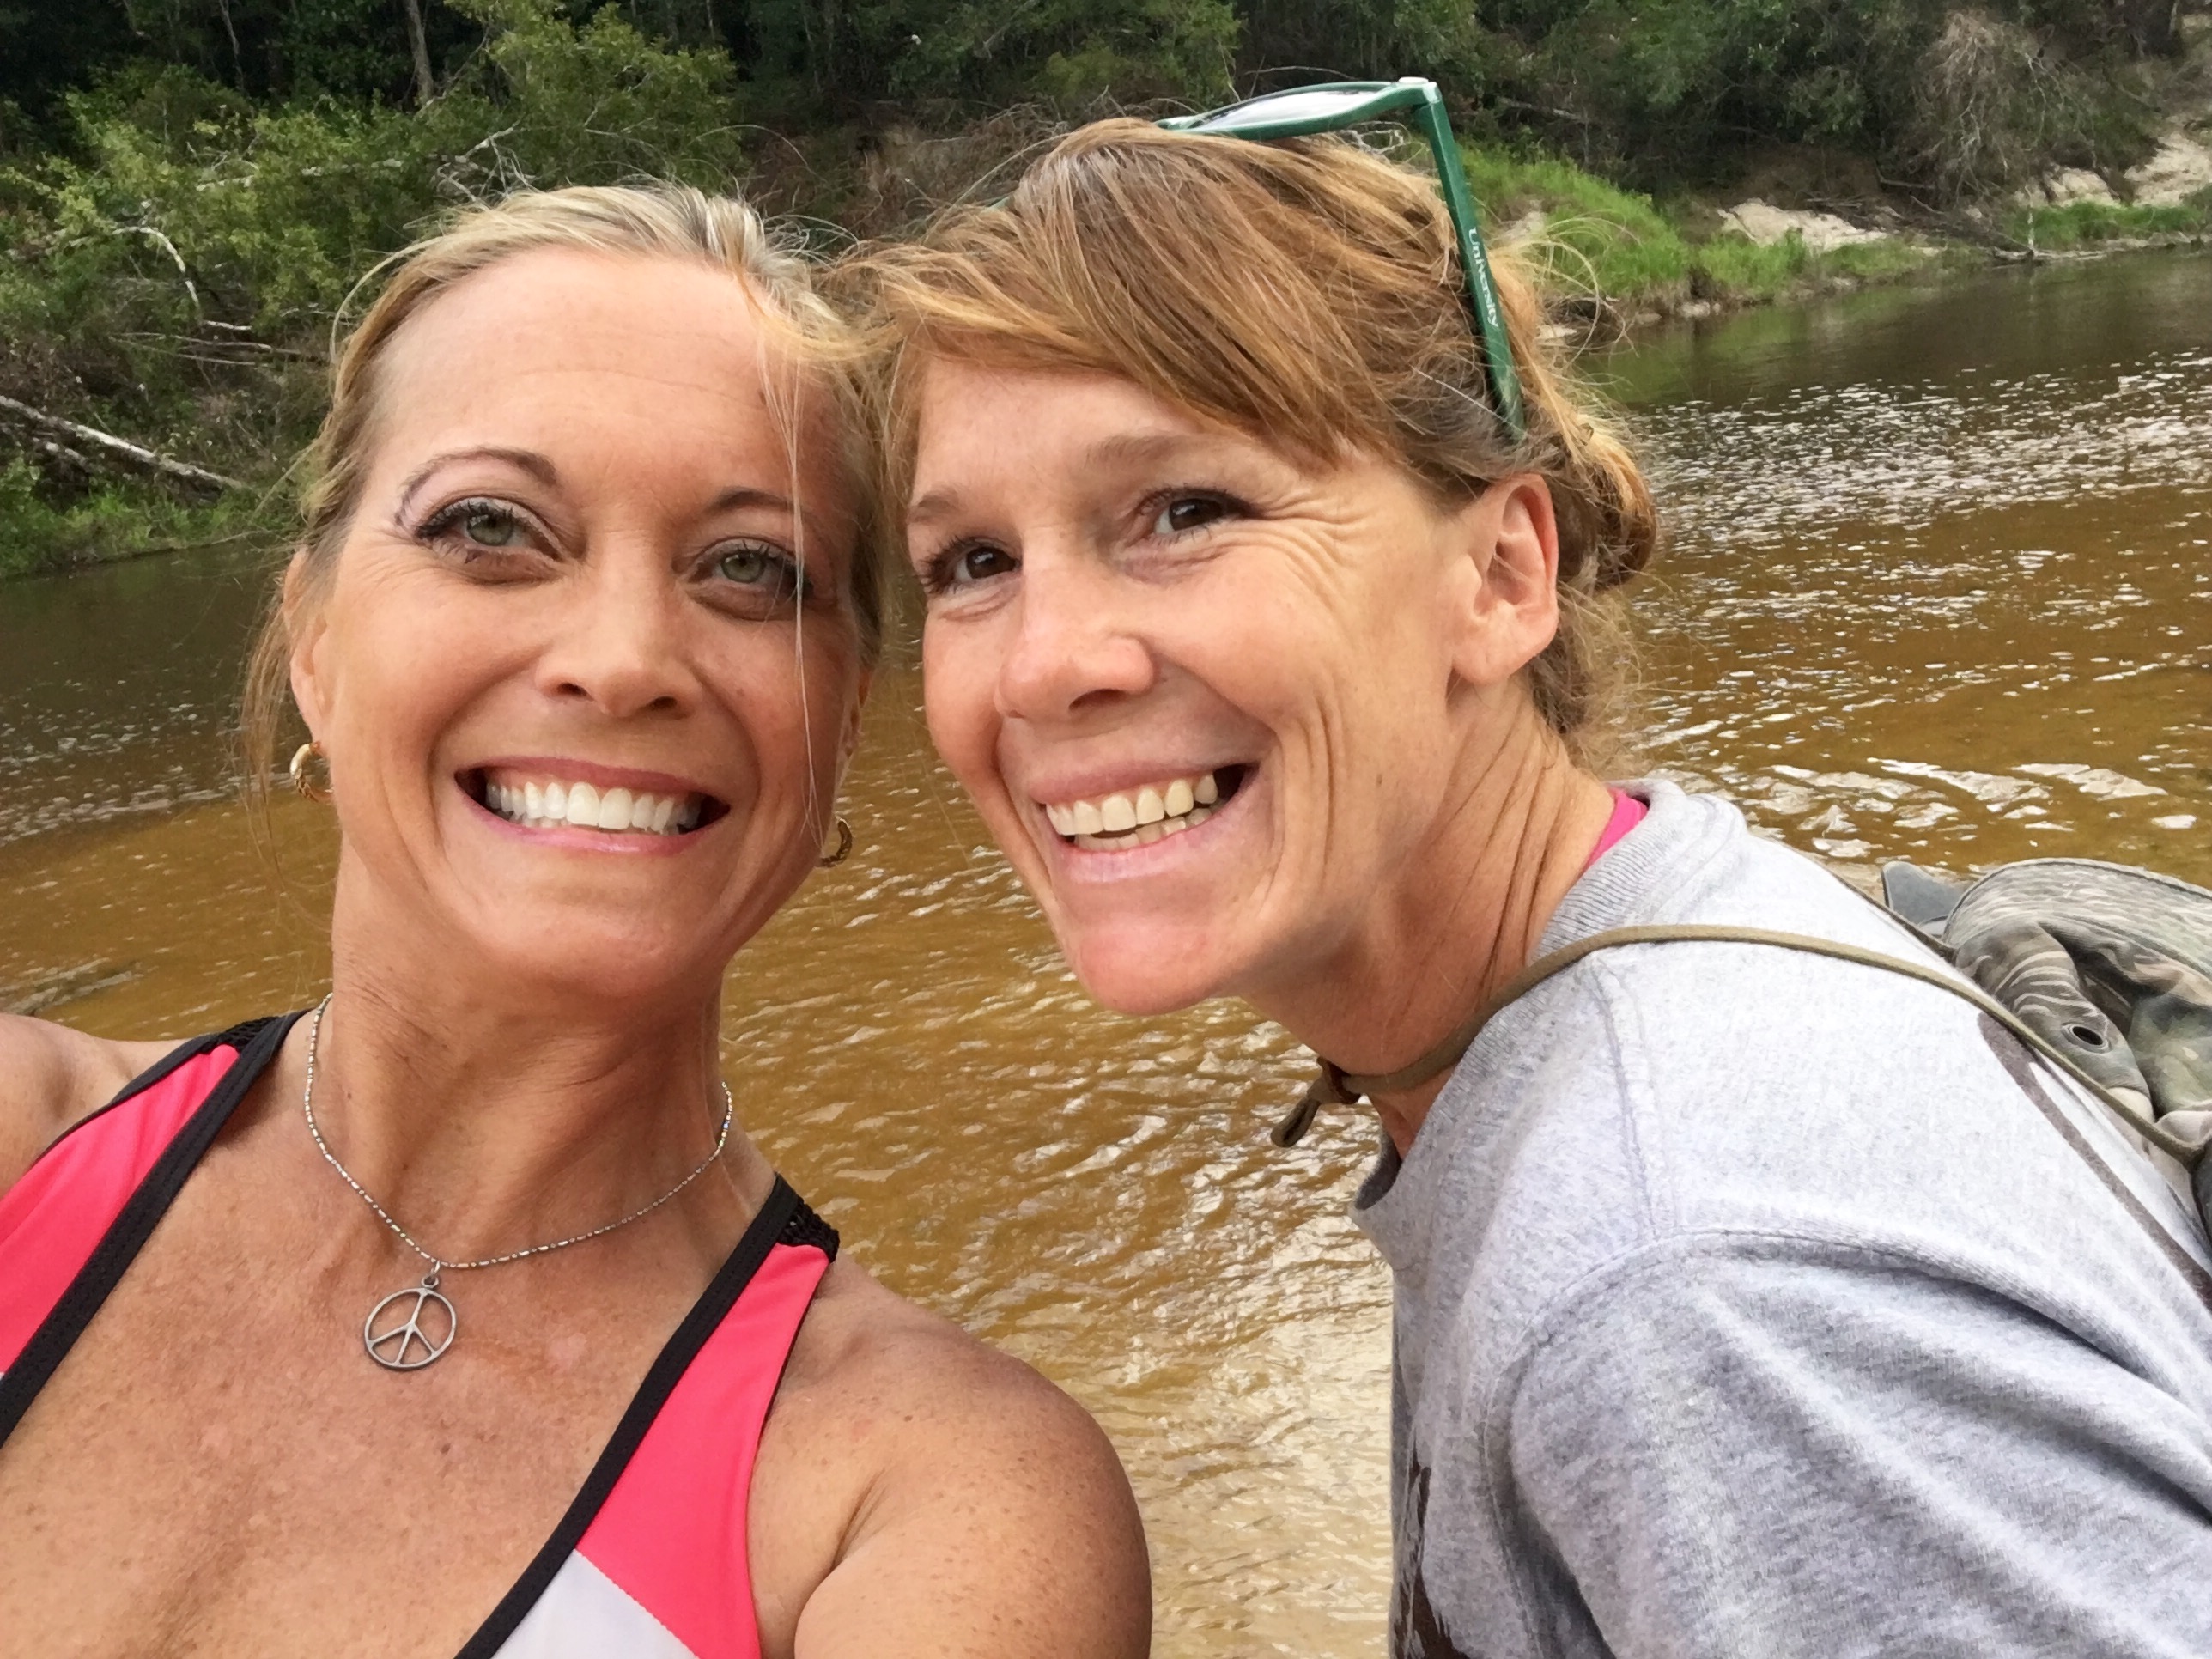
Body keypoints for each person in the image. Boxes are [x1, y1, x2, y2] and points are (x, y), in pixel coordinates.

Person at [854, 108, 2212, 1656]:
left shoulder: (1693, 1288)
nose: (1043, 665)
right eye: (970, 562)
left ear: (1502, 576)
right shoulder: (1641, 960)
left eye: (1185, 512)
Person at [0, 184, 1148, 1658]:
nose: (621, 663)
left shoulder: (911, 1504)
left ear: (845, 716)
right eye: (493, 529)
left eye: (751, 568)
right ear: (316, 643)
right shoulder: (27, 1151)